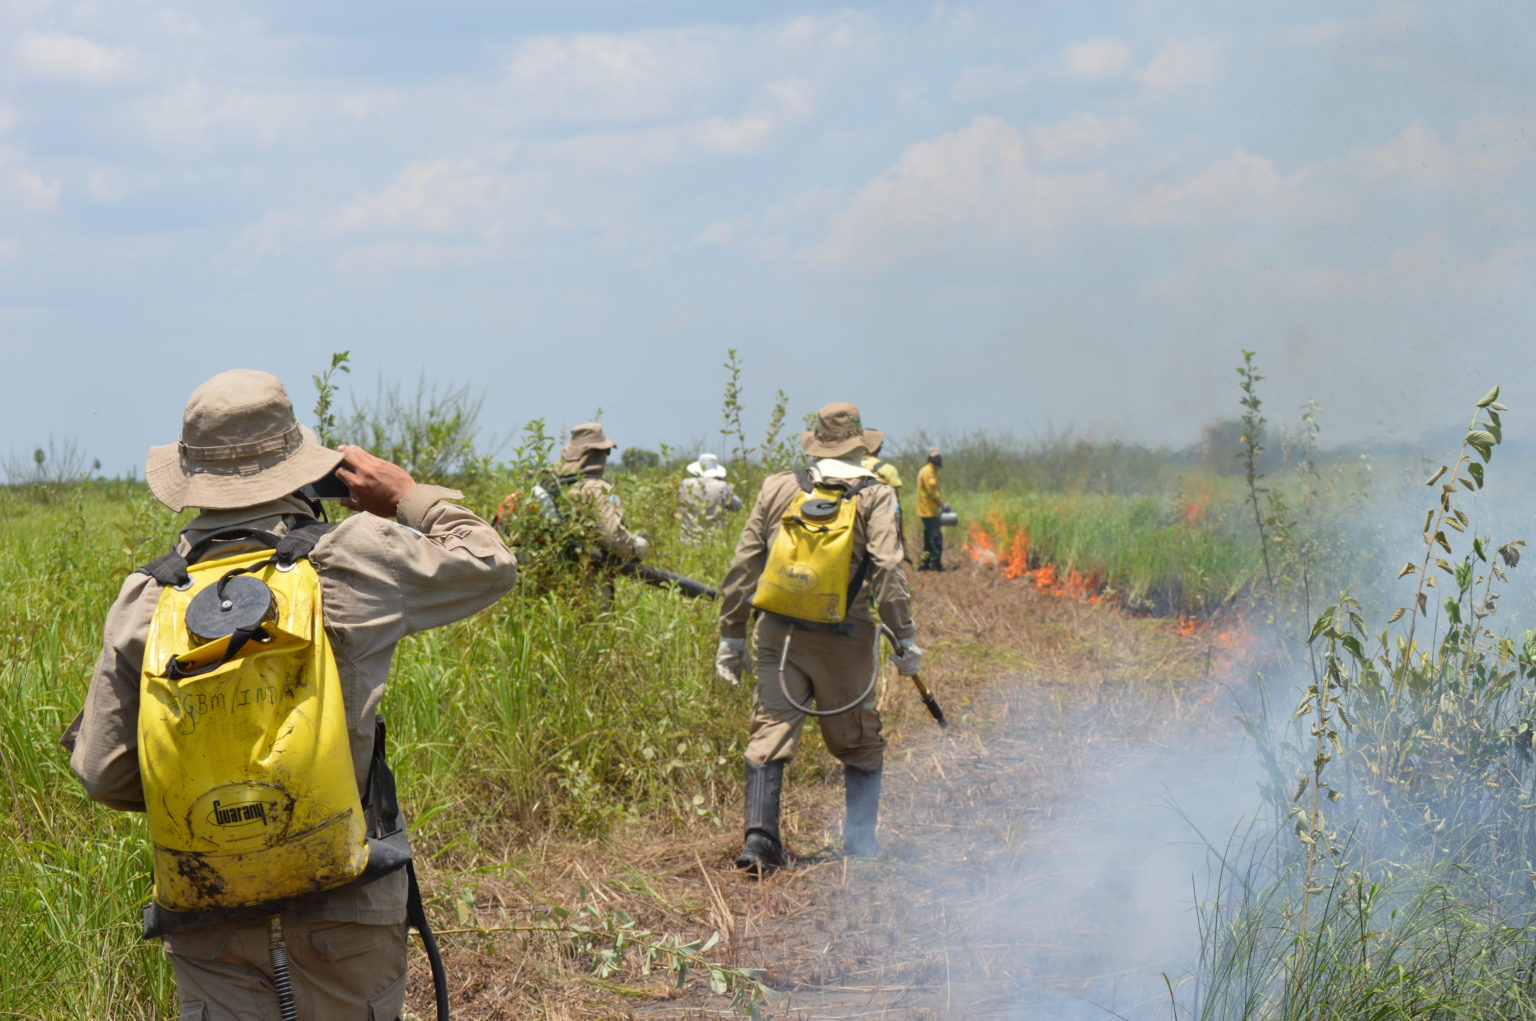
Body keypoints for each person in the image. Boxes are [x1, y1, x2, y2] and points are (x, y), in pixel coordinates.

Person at [64, 369, 518, 1020]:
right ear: (300, 465)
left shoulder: (147, 598)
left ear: (192, 477)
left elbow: (103, 773)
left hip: (209, 917)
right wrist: (408, 496)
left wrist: (216, 785)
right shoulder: (353, 556)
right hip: (345, 902)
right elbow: (489, 562)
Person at [715, 402, 921, 874]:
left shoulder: (778, 486)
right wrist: (904, 639)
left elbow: (744, 563)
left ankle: (760, 843)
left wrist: (732, 635)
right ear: (860, 446)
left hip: (775, 630)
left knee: (769, 731)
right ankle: (861, 844)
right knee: (859, 740)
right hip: (843, 635)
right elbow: (889, 568)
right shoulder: (876, 494)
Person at [678, 452, 742, 544]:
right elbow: (737, 506)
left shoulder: (685, 484)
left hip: (688, 539)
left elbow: (680, 507)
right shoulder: (722, 486)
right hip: (713, 541)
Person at [860, 435, 906, 559]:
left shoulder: (853, 467)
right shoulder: (889, 469)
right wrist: (901, 536)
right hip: (882, 523)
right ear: (879, 447)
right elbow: (896, 506)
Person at [916, 446, 951, 571]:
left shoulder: (932, 470)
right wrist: (943, 504)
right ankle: (936, 566)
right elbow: (932, 491)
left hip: (929, 510)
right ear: (930, 458)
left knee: (928, 540)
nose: (938, 459)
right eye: (935, 457)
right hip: (928, 511)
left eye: (939, 456)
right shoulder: (928, 472)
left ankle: (924, 564)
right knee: (936, 540)